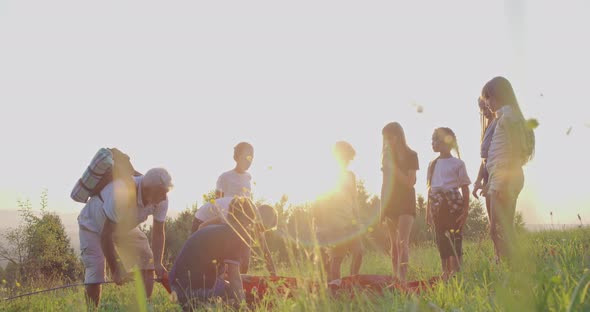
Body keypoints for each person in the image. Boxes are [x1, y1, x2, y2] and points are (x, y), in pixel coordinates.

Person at [77, 167, 173, 307]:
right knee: (96, 272)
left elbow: (158, 232)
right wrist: (116, 269)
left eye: (166, 192)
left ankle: (144, 306)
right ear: (148, 189)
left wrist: (158, 262)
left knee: (147, 258)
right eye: (162, 192)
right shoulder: (123, 193)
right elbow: (106, 235)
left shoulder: (161, 200)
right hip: (93, 226)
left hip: (123, 227)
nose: (165, 197)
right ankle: (92, 310)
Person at [169, 197, 277, 310]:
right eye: (251, 222)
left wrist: (239, 277)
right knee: (238, 297)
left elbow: (227, 274)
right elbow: (234, 279)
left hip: (177, 288)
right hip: (188, 292)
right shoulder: (235, 235)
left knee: (232, 291)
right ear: (248, 219)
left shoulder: (221, 230)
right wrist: (243, 307)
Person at [480, 76, 535, 261]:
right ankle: (513, 270)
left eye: (488, 97)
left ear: (498, 96)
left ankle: (515, 270)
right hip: (501, 178)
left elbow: (513, 150)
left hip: (505, 178)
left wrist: (502, 181)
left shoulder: (508, 116)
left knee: (498, 230)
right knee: (502, 230)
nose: (486, 102)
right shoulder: (505, 116)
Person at [426, 127, 471, 279]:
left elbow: (465, 189)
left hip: (453, 205)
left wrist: (465, 211)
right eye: (433, 139)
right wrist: (428, 213)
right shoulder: (432, 164)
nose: (434, 143)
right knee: (441, 239)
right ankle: (445, 272)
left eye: (437, 139)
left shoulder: (458, 163)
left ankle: (457, 271)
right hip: (437, 206)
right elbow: (430, 190)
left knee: (455, 238)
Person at [191, 197, 278, 276]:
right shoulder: (234, 214)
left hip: (218, 225)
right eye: (263, 228)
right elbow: (201, 227)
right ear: (260, 218)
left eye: (264, 230)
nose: (261, 231)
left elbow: (265, 252)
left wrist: (274, 277)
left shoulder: (253, 218)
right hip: (202, 221)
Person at [315, 141, 363, 282]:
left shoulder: (351, 176)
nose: (347, 161)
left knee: (359, 252)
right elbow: (320, 201)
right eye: (345, 157)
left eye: (349, 159)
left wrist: (357, 219)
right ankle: (334, 287)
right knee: (337, 257)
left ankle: (352, 280)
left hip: (350, 222)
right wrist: (321, 225)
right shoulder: (327, 176)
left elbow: (354, 199)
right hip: (334, 223)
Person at [380, 122, 419, 281]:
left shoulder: (412, 155)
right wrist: (381, 209)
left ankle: (403, 280)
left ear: (398, 136)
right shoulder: (386, 157)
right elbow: (384, 184)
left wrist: (394, 168)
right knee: (394, 246)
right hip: (390, 202)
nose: (387, 141)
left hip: (406, 201)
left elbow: (410, 182)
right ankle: (395, 279)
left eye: (389, 137)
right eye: (385, 138)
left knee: (402, 242)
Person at [191, 142, 254, 231]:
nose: (250, 160)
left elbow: (247, 204)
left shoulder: (248, 177)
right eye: (247, 157)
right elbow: (218, 202)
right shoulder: (225, 177)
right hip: (217, 219)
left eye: (252, 157)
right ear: (238, 157)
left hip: (236, 219)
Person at [472, 97, 499, 254]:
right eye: (481, 108)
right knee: (492, 224)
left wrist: (490, 181)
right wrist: (477, 180)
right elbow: (484, 159)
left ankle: (509, 262)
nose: (484, 111)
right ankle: (499, 259)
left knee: (498, 225)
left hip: (498, 176)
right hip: (488, 175)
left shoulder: (499, 124)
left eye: (486, 107)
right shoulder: (488, 127)